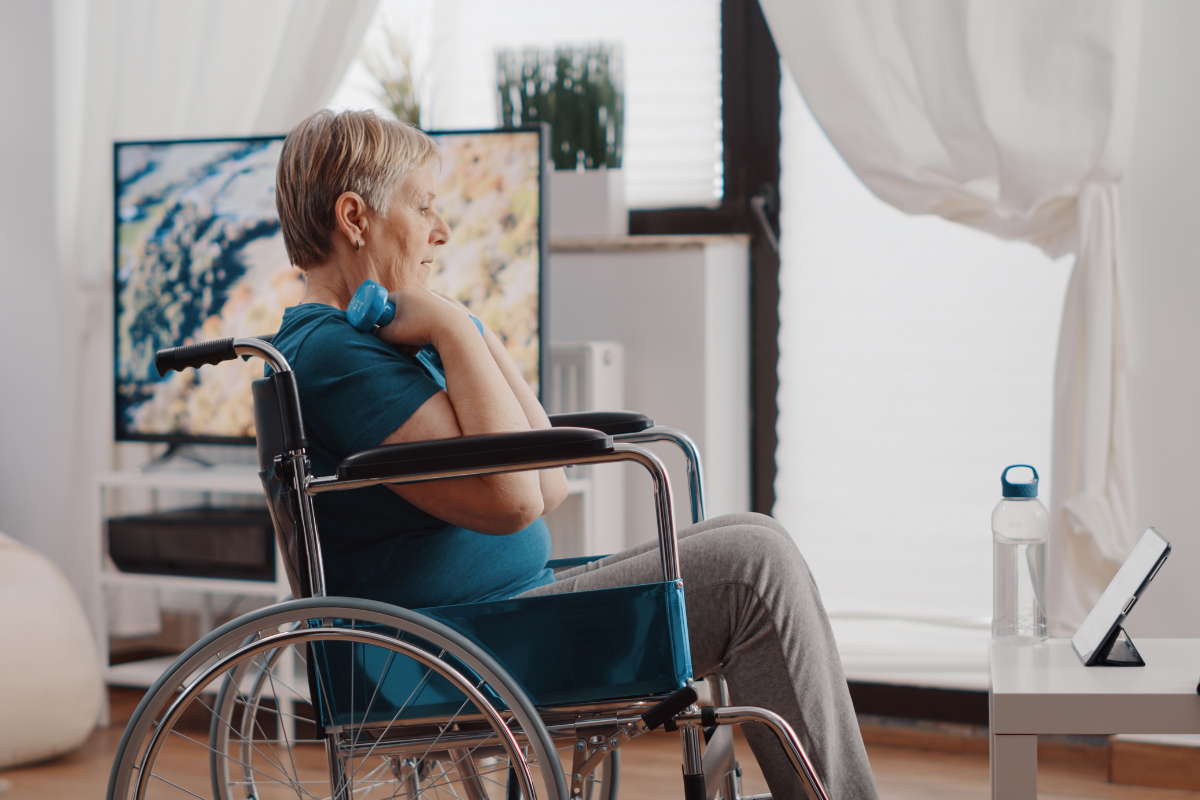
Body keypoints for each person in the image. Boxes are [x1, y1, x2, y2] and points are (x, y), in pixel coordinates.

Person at [272, 109, 879, 800]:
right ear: (355, 218)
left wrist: (461, 323)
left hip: (498, 624)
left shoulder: (354, 345)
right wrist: (448, 326)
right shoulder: (334, 355)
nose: (441, 231)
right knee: (753, 571)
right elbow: (515, 499)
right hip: (464, 654)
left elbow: (547, 481)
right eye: (423, 207)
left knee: (756, 538)